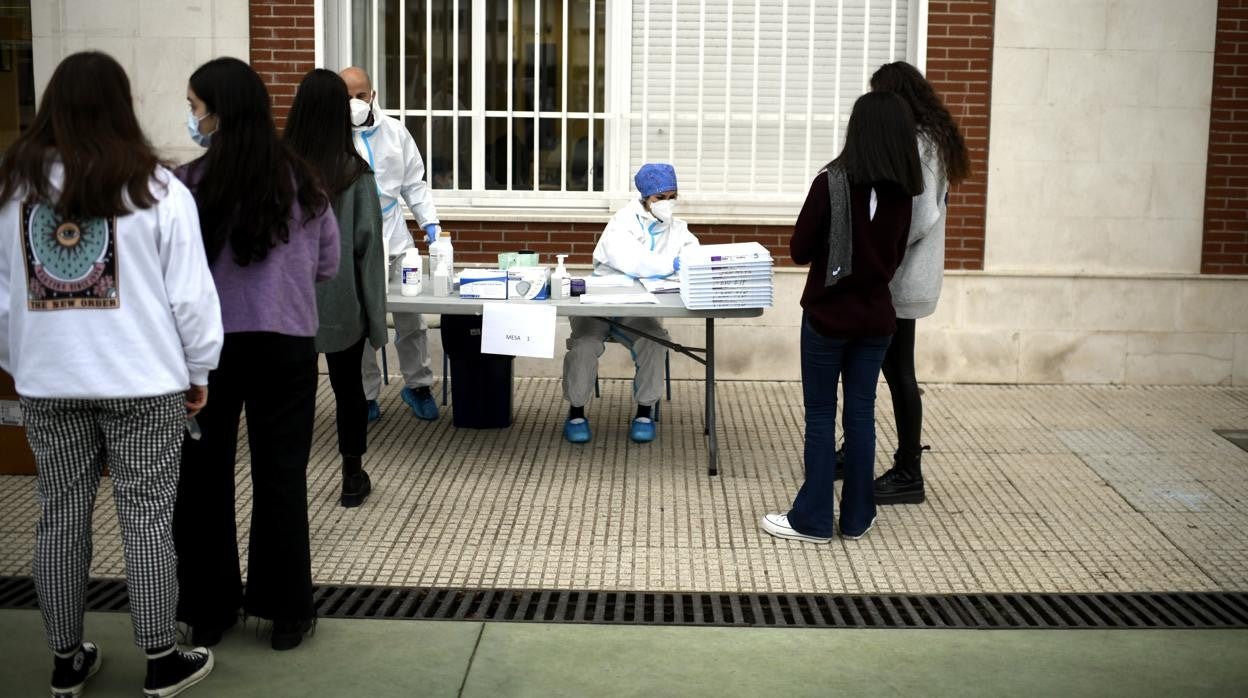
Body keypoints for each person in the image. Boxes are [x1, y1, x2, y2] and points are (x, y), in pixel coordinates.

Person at [0, 51, 221, 697]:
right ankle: (159, 657)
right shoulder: (156, 188)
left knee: (59, 520)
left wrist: (22, 364)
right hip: (145, 381)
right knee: (148, 519)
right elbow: (190, 296)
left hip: (48, 383)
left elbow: (6, 295)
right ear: (121, 105)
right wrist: (199, 367)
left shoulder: (14, 189)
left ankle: (66, 660)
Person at [173, 57, 340, 652]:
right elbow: (327, 266)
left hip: (206, 352)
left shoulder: (185, 186)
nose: (191, 118)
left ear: (218, 113)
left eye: (194, 108)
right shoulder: (304, 182)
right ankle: (288, 610)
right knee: (281, 475)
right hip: (288, 345)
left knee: (203, 478)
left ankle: (210, 609)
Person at [761, 91, 924, 543]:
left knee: (820, 416)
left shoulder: (830, 182)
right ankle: (856, 517)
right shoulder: (905, 194)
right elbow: (893, 256)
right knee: (860, 416)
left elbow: (798, 250)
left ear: (858, 130)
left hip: (828, 317)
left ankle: (811, 520)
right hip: (876, 320)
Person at [868, 61, 971, 505]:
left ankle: (909, 469)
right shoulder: (927, 137)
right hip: (897, 274)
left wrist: (878, 250)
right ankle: (858, 452)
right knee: (875, 367)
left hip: (900, 277)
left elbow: (919, 216)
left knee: (896, 371)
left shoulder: (922, 143)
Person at [285, 69, 388, 508]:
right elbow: (369, 254)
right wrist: (377, 323)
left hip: (287, 308)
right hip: (342, 303)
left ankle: (288, 476)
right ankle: (351, 475)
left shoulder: (277, 172)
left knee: (294, 397)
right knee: (349, 390)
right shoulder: (355, 175)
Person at [561, 163, 699, 444]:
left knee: (655, 341)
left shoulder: (679, 230)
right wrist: (670, 264)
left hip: (639, 308)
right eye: (660, 198)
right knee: (584, 346)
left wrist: (689, 264)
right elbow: (632, 261)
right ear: (645, 197)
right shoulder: (622, 222)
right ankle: (576, 411)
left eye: (673, 196)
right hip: (601, 304)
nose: (667, 203)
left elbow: (694, 257)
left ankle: (645, 412)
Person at [339, 66, 442, 423]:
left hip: (396, 239)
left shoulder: (395, 131)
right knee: (361, 323)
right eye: (347, 97)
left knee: (411, 317)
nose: (354, 103)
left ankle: (418, 385)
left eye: (360, 95)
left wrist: (430, 223)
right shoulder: (331, 136)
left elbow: (414, 183)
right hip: (353, 240)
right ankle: (366, 395)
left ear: (374, 95)